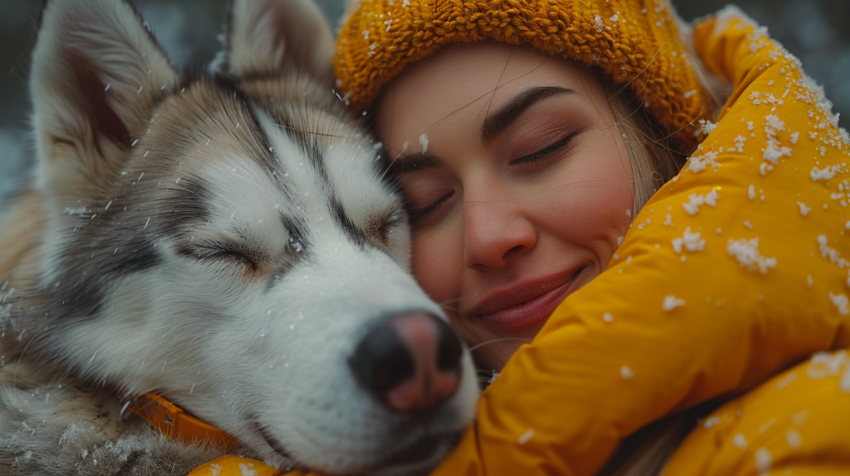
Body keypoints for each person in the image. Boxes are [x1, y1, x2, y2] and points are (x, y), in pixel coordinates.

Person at [192, 1, 850, 474]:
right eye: (422, 204)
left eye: (543, 148)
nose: (488, 236)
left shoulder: (813, 431)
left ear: (663, 135)